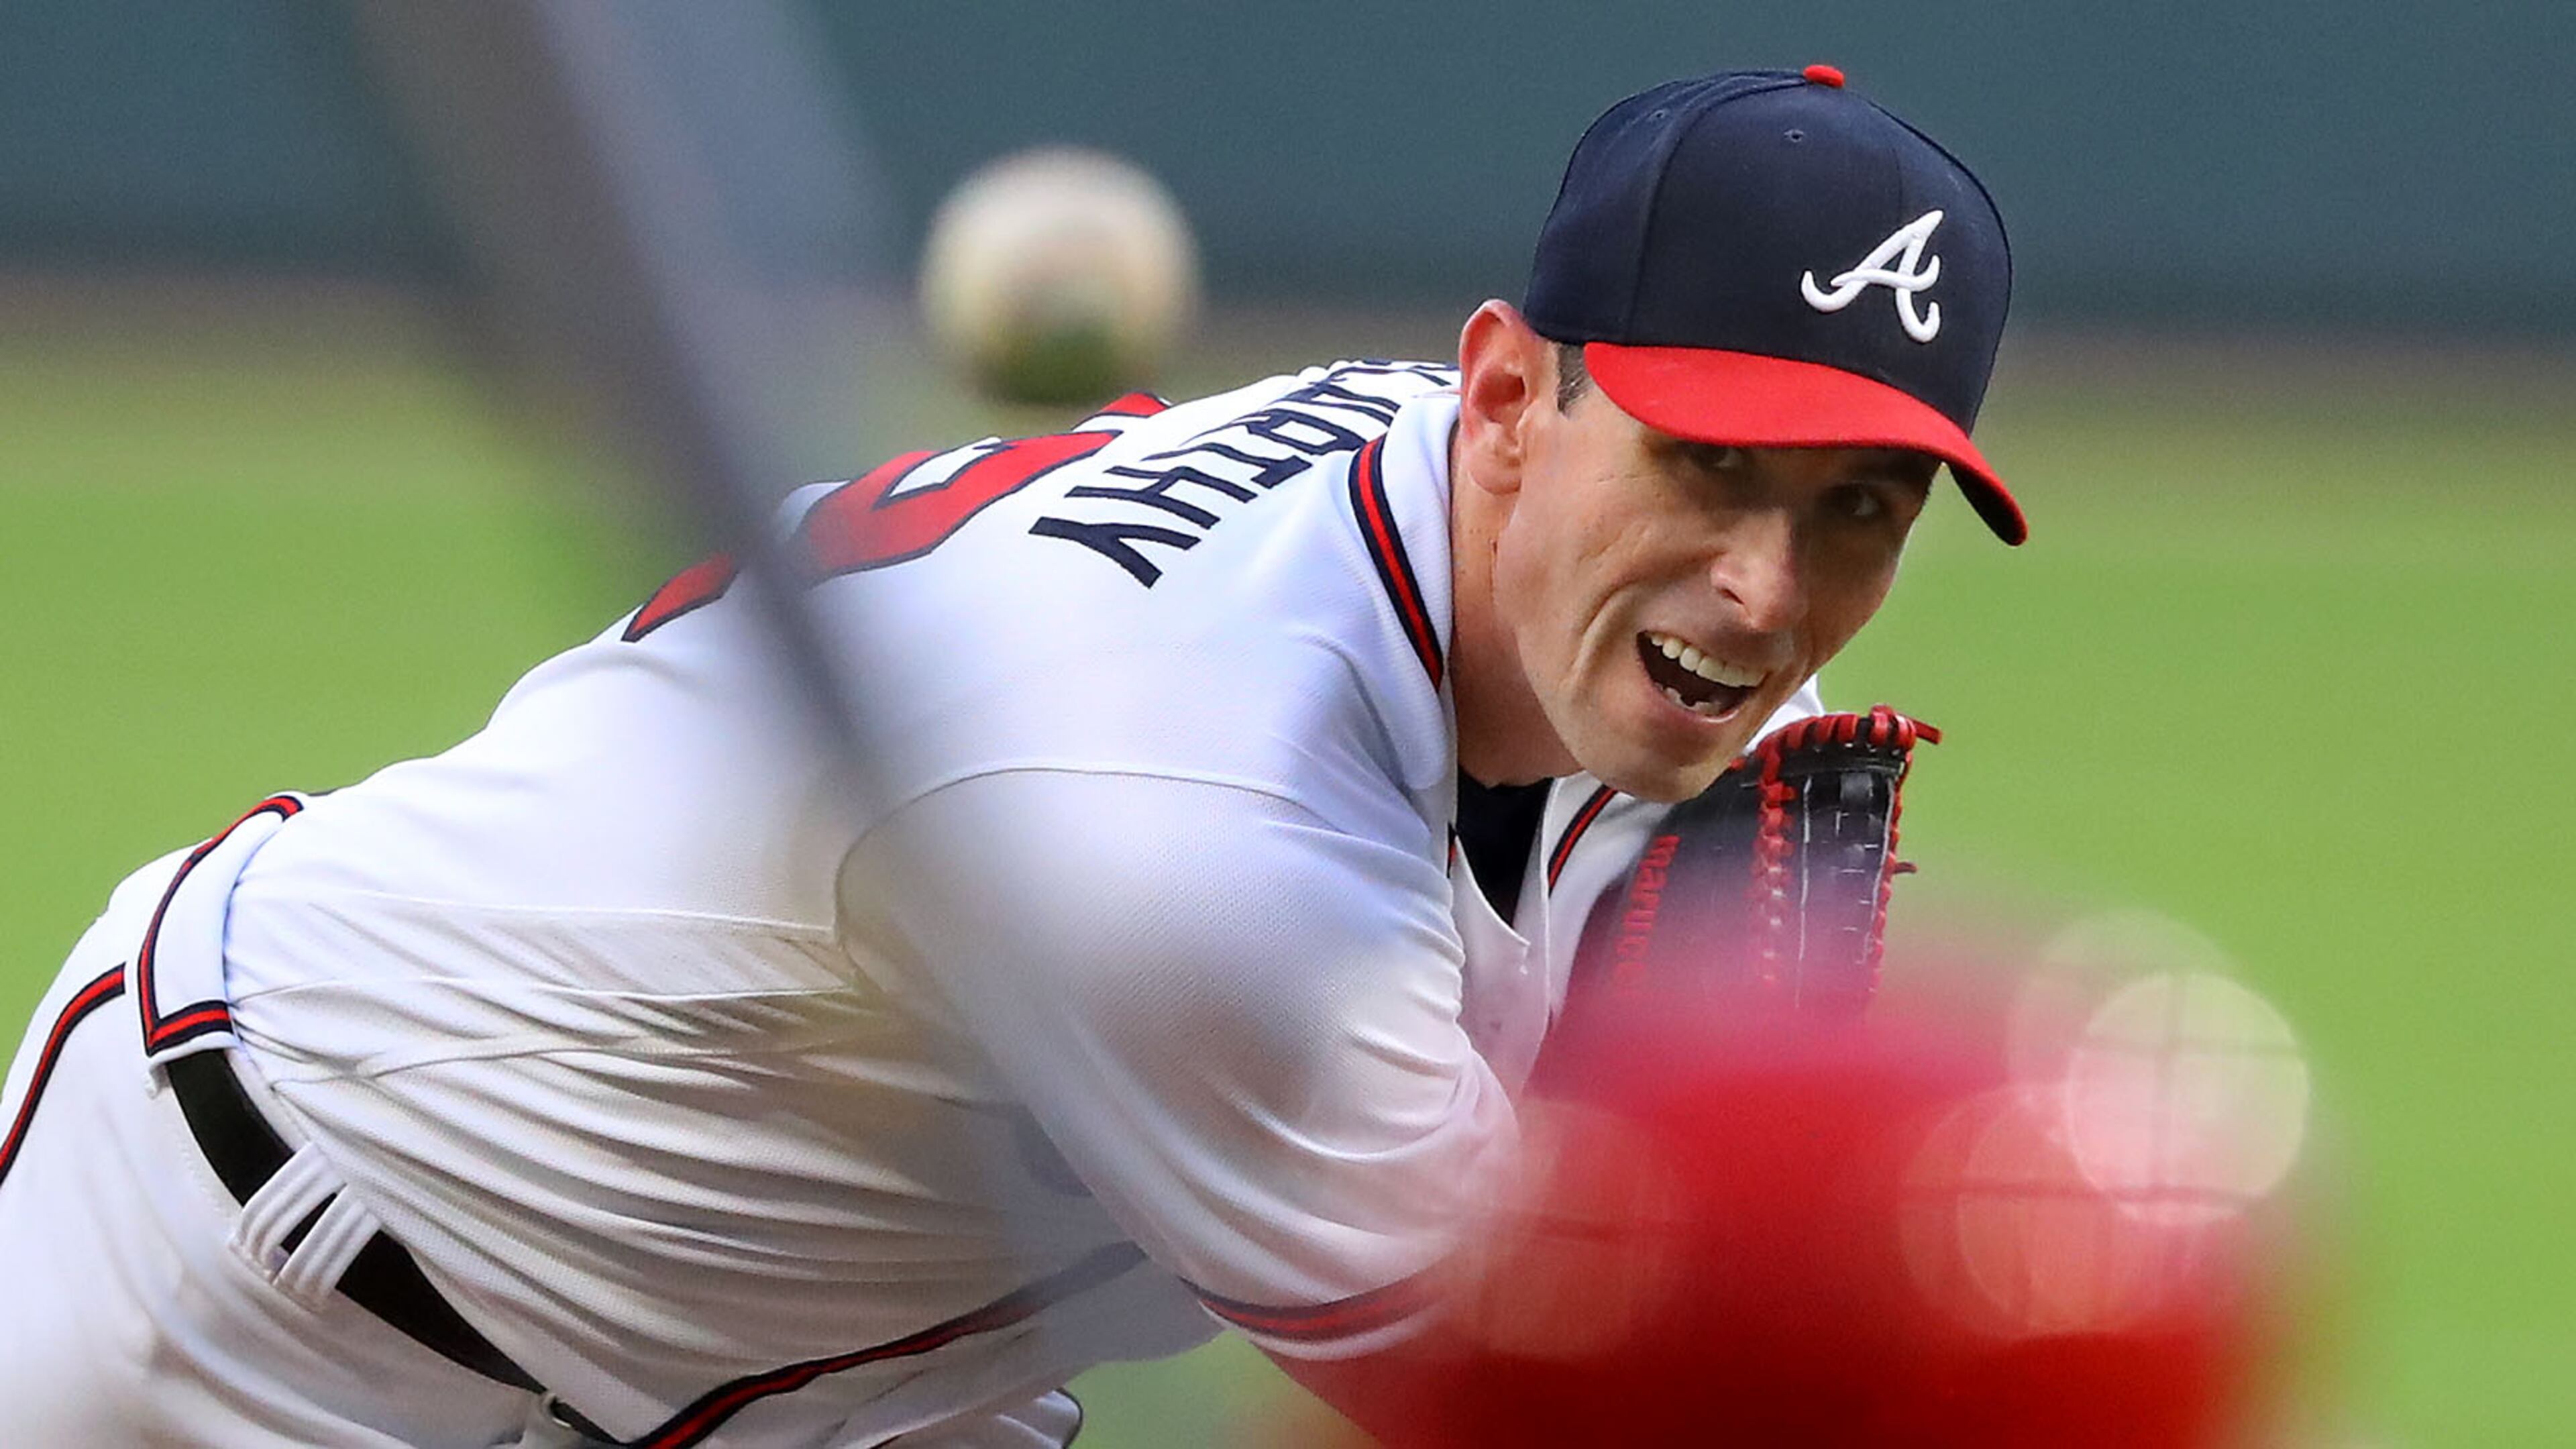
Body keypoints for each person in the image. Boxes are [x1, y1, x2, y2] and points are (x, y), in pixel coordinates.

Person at [0, 66, 2021, 1447]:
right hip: (255, 1292)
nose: (1765, 592)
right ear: (1507, 397)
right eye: (1710, 464)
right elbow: (1568, 1397)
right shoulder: (1206, 835)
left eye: (1858, 506)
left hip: (810, 1319)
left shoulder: (1488, 541)